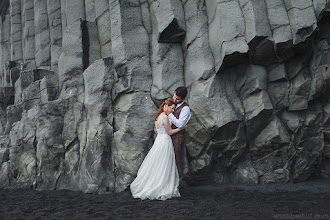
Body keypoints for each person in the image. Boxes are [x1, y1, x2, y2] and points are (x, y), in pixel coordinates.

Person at [130, 100, 187, 200]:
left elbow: (157, 129)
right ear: (166, 106)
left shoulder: (158, 116)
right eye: (172, 108)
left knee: (158, 163)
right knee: (164, 163)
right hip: (164, 141)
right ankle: (161, 185)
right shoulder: (164, 117)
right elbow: (169, 132)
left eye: (174, 108)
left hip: (159, 140)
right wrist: (181, 128)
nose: (173, 110)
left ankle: (156, 183)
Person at [168, 86, 191, 184]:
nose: (174, 100)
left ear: (183, 99)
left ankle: (177, 184)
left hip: (178, 138)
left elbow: (180, 124)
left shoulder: (185, 109)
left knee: (177, 160)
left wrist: (169, 114)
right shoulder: (172, 104)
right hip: (168, 136)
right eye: (174, 97)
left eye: (177, 99)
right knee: (168, 160)